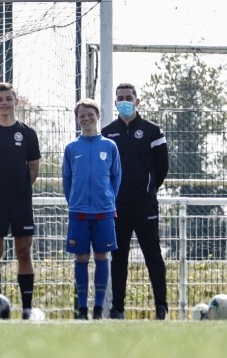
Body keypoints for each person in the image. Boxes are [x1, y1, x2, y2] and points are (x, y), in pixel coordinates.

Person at [102, 83, 169, 320]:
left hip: (144, 204)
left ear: (137, 101)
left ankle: (161, 307)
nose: (124, 101)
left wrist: (149, 190)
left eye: (128, 97)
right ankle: (117, 309)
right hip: (117, 206)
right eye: (120, 98)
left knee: (153, 255)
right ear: (115, 103)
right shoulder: (107, 132)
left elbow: (162, 167)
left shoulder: (152, 131)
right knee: (118, 258)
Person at [0, 82, 41, 319]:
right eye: (0, 99)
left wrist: (19, 189)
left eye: (8, 99)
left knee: (24, 252)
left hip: (21, 201)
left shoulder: (28, 134)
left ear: (16, 101)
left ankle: (27, 309)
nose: (4, 103)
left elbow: (33, 170)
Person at [62, 99, 121, 320]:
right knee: (81, 258)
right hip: (78, 212)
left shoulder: (109, 146)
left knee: (102, 256)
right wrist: (74, 201)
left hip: (103, 212)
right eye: (82, 115)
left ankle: (98, 308)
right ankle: (82, 309)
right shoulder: (71, 148)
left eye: (90, 114)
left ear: (98, 115)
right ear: (78, 119)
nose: (86, 118)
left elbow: (116, 177)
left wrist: (106, 200)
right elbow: (67, 180)